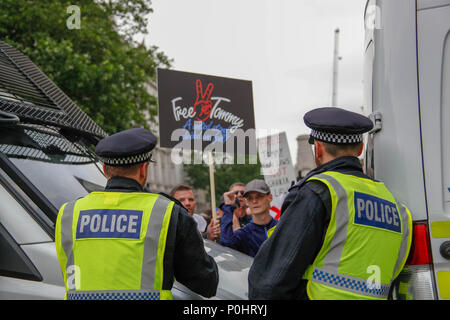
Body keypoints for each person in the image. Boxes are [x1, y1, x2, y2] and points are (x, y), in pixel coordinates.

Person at [248, 107, 412, 300]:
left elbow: (271, 281)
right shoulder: (396, 206)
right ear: (360, 149)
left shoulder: (317, 192)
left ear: (317, 148)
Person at [54, 128, 219, 300]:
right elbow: (205, 282)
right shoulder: (167, 213)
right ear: (143, 169)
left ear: (105, 169)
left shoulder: (68, 213)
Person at [220, 179, 278, 257]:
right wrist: (227, 206)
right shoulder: (244, 233)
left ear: (270, 197)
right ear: (246, 201)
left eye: (259, 196)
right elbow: (227, 243)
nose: (254, 201)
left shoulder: (281, 227)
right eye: (250, 198)